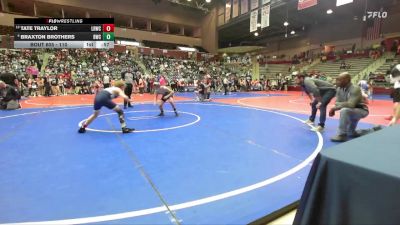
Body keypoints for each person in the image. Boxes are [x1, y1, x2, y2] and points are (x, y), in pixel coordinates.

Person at [329, 72, 376, 142]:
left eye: (339, 80)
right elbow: (336, 103)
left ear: (347, 80)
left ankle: (342, 135)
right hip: (351, 110)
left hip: (361, 110)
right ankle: (374, 130)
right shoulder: (339, 89)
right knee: (351, 133)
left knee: (344, 110)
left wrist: (334, 108)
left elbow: (351, 104)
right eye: (337, 80)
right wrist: (339, 105)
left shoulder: (355, 88)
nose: (336, 82)